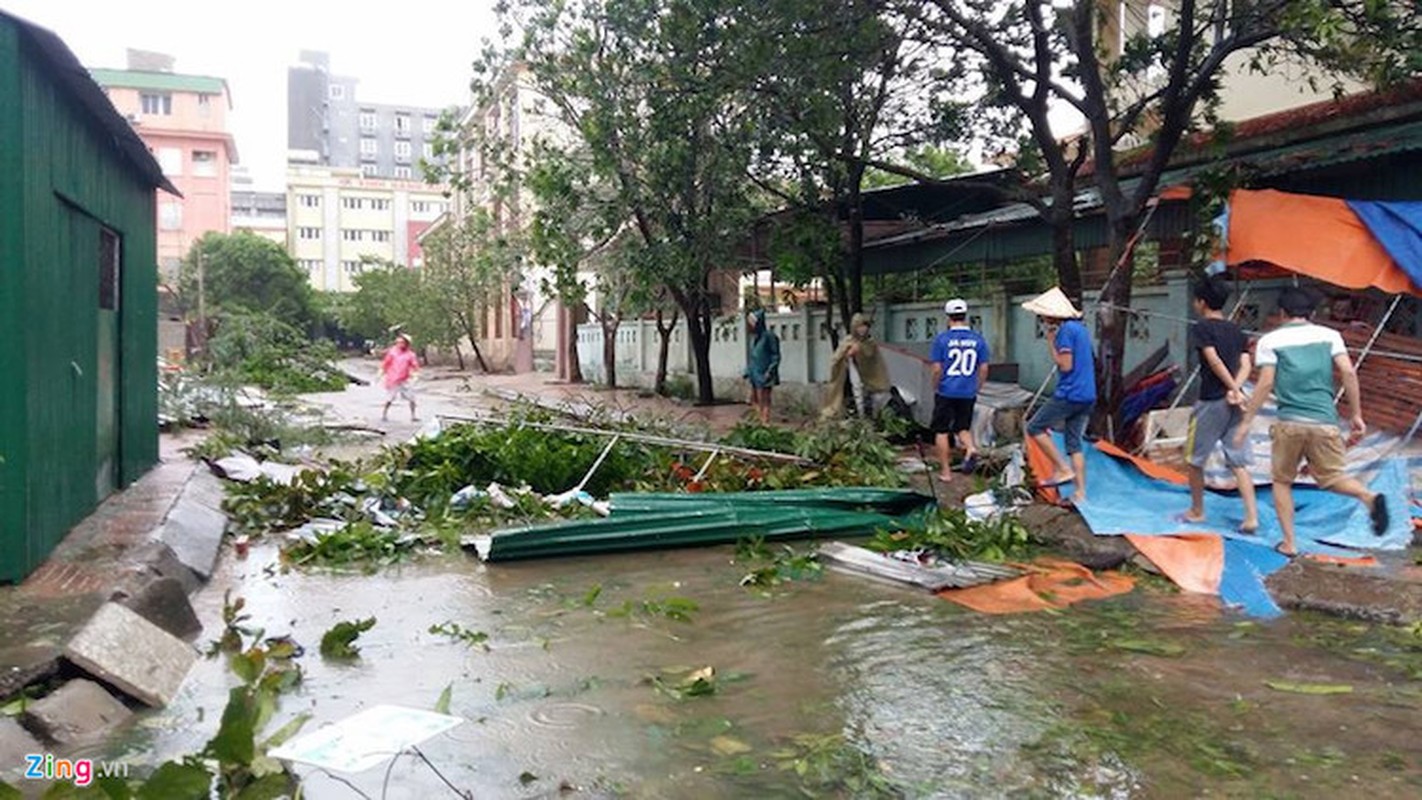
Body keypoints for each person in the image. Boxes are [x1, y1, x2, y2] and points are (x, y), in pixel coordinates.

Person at [1235, 287, 1388, 556]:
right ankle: (1368, 497)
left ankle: (1290, 543)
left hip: (1290, 423)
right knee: (1331, 478)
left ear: (1282, 313)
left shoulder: (1270, 341)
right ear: (1312, 313)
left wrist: (1247, 421)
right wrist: (1356, 415)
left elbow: (1266, 382)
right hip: (1324, 421)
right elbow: (1348, 372)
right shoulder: (1330, 336)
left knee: (1282, 481)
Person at [1181, 276, 1259, 533]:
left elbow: (1213, 361)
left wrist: (1231, 388)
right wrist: (1238, 389)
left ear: (1202, 302)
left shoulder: (1202, 328)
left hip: (1212, 400)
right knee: (1239, 462)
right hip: (1235, 402)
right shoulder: (1238, 331)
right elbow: (1247, 364)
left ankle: (1197, 511)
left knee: (1194, 459)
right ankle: (1251, 517)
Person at [1022, 287, 1095, 504]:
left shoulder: (1064, 333)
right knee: (1074, 443)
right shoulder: (1080, 329)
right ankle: (1080, 493)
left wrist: (1051, 342)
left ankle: (1063, 468)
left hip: (1070, 393)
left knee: (1034, 426)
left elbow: (1065, 365)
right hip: (1087, 394)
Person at [929, 299, 990, 482]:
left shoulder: (942, 340)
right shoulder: (978, 339)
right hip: (967, 391)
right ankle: (970, 448)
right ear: (965, 316)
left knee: (941, 431)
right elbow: (984, 368)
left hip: (946, 391)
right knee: (962, 427)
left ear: (948, 317)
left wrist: (935, 384)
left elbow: (937, 368)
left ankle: (946, 472)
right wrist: (977, 386)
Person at [821, 313, 892, 420]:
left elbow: (871, 356)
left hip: (871, 376)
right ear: (854, 327)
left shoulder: (870, 342)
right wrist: (847, 354)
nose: (862, 329)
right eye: (859, 326)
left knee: (879, 396)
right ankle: (861, 417)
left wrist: (859, 349)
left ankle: (875, 417)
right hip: (852, 372)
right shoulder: (848, 341)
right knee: (857, 391)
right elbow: (836, 358)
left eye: (864, 326)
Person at [744, 308, 780, 424]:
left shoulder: (769, 337)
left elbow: (776, 355)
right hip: (755, 374)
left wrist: (770, 371)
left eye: (751, 323)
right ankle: (758, 421)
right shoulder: (756, 339)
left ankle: (765, 422)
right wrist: (748, 371)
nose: (749, 327)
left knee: (764, 399)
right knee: (754, 400)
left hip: (764, 374)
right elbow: (754, 357)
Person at [380, 334, 420, 422]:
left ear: (406, 344)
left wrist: (416, 374)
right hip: (393, 379)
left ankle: (413, 416)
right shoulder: (392, 352)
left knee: (412, 397)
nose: (400, 344)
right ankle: (384, 414)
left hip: (405, 379)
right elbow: (386, 363)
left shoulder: (410, 354)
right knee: (390, 398)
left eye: (402, 342)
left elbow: (415, 365)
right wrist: (381, 372)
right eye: (398, 342)